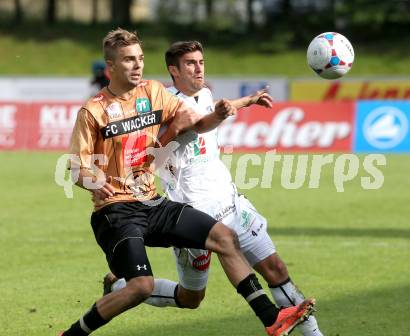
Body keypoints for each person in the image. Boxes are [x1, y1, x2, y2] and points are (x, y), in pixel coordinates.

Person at [59, 29, 315, 336]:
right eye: (129, 60)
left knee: (225, 239)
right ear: (111, 66)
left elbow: (194, 124)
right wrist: (93, 180)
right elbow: (75, 167)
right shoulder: (94, 111)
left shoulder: (153, 92)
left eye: (140, 58)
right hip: (115, 211)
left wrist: (219, 115)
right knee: (142, 286)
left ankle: (272, 320)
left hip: (152, 203)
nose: (137, 65)